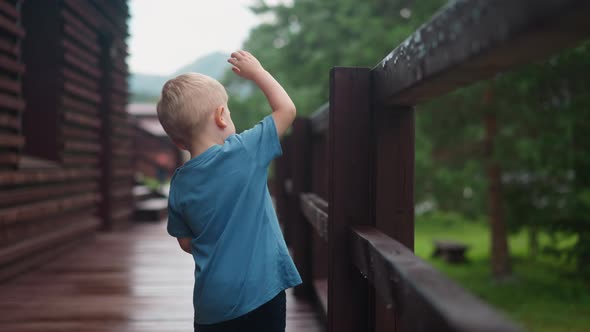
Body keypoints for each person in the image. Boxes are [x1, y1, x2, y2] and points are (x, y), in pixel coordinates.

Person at [156, 50, 301, 332]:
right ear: (222, 117)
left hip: (212, 305)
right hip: (261, 292)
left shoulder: (180, 182)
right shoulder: (245, 151)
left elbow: (185, 242)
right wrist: (257, 71)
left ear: (177, 141)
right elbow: (287, 110)